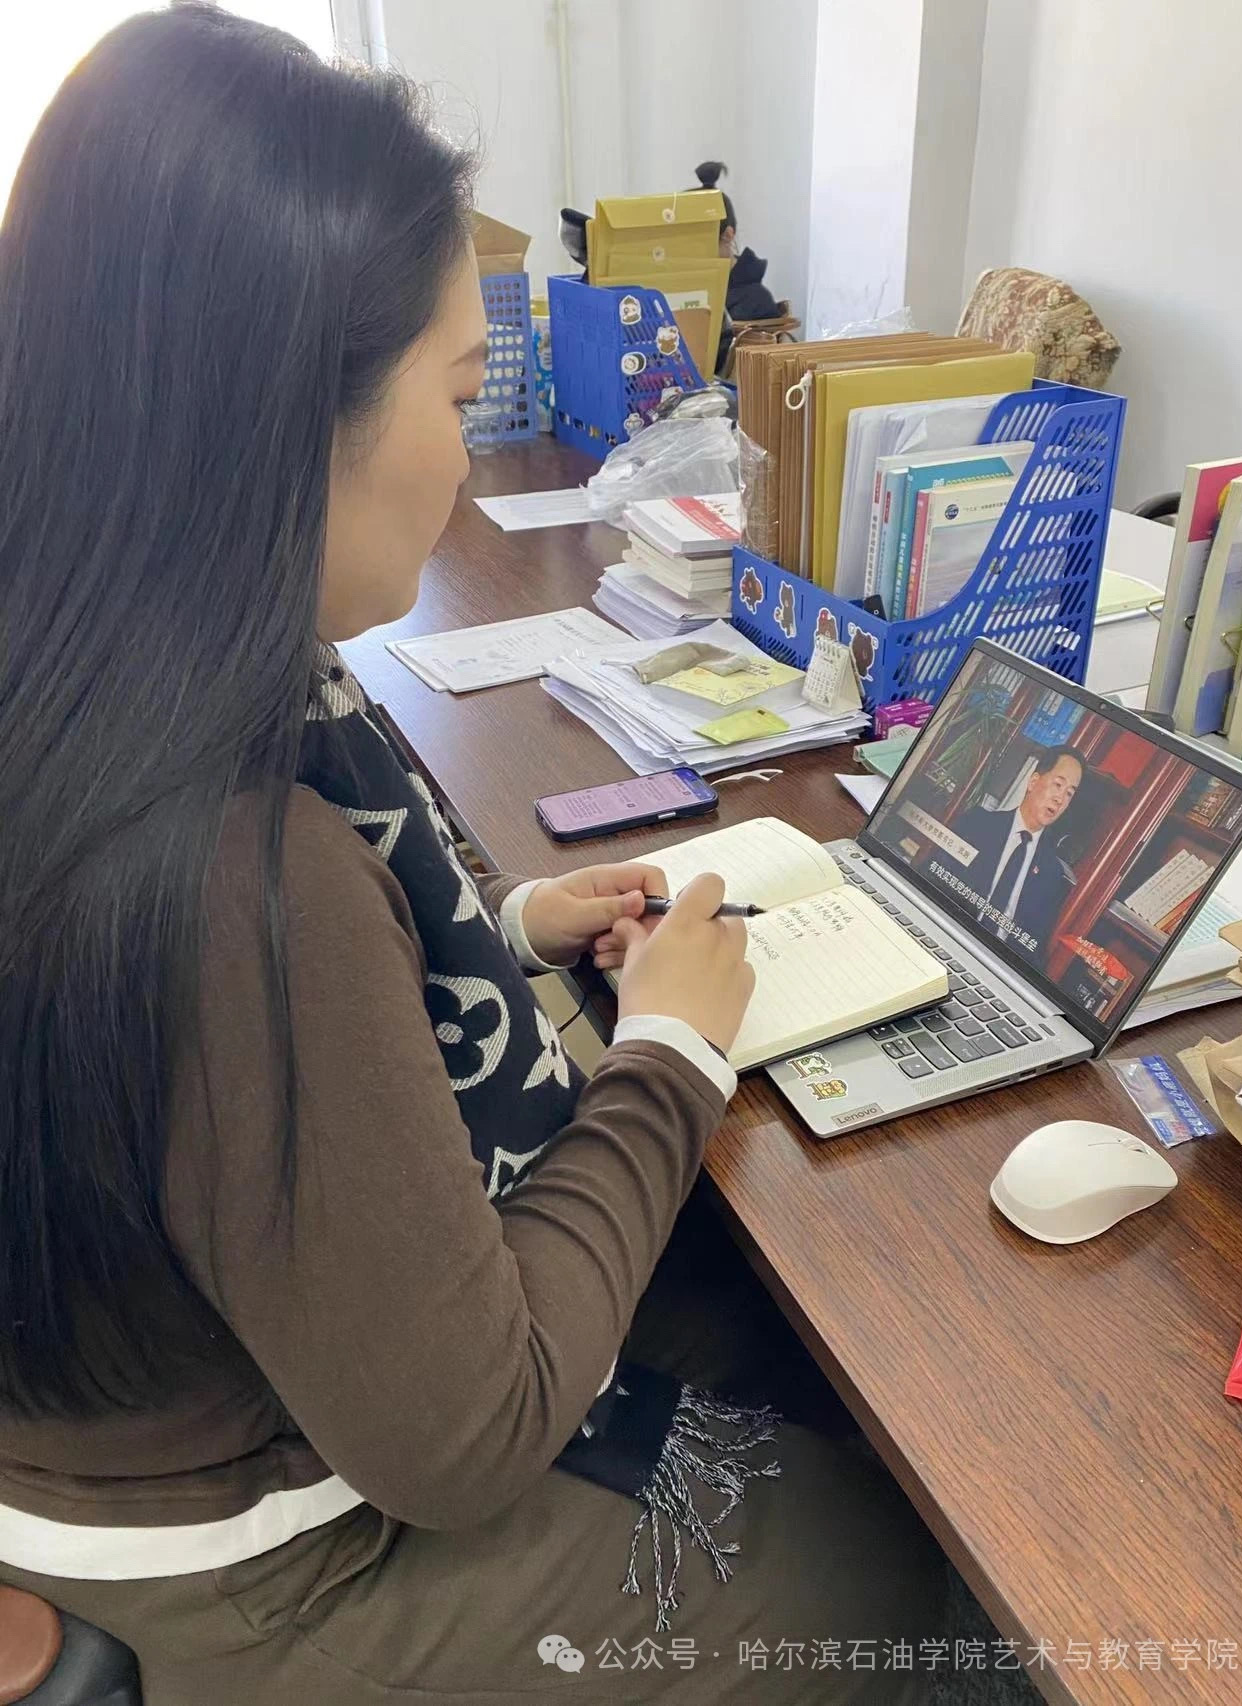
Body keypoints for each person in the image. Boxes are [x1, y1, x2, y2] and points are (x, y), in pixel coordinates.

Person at [0, 11, 946, 1703]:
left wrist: (492, 926)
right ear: (284, 417)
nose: (464, 446)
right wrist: (672, 1049)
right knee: (900, 1566)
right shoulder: (239, 878)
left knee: (756, 1326)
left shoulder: (97, 678)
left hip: (107, 1419)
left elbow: (183, 1055)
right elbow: (468, 1432)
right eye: (454, 392)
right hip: (257, 1561)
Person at [934, 747, 1083, 955]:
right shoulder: (976, 824)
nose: (1060, 799)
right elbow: (932, 877)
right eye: (1058, 785)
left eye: (1069, 794)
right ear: (1033, 782)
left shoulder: (1052, 873)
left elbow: (1034, 948)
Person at [690, 161, 785, 373]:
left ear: (728, 235)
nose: (688, 256)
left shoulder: (756, 301)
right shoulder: (687, 291)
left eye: (698, 244)